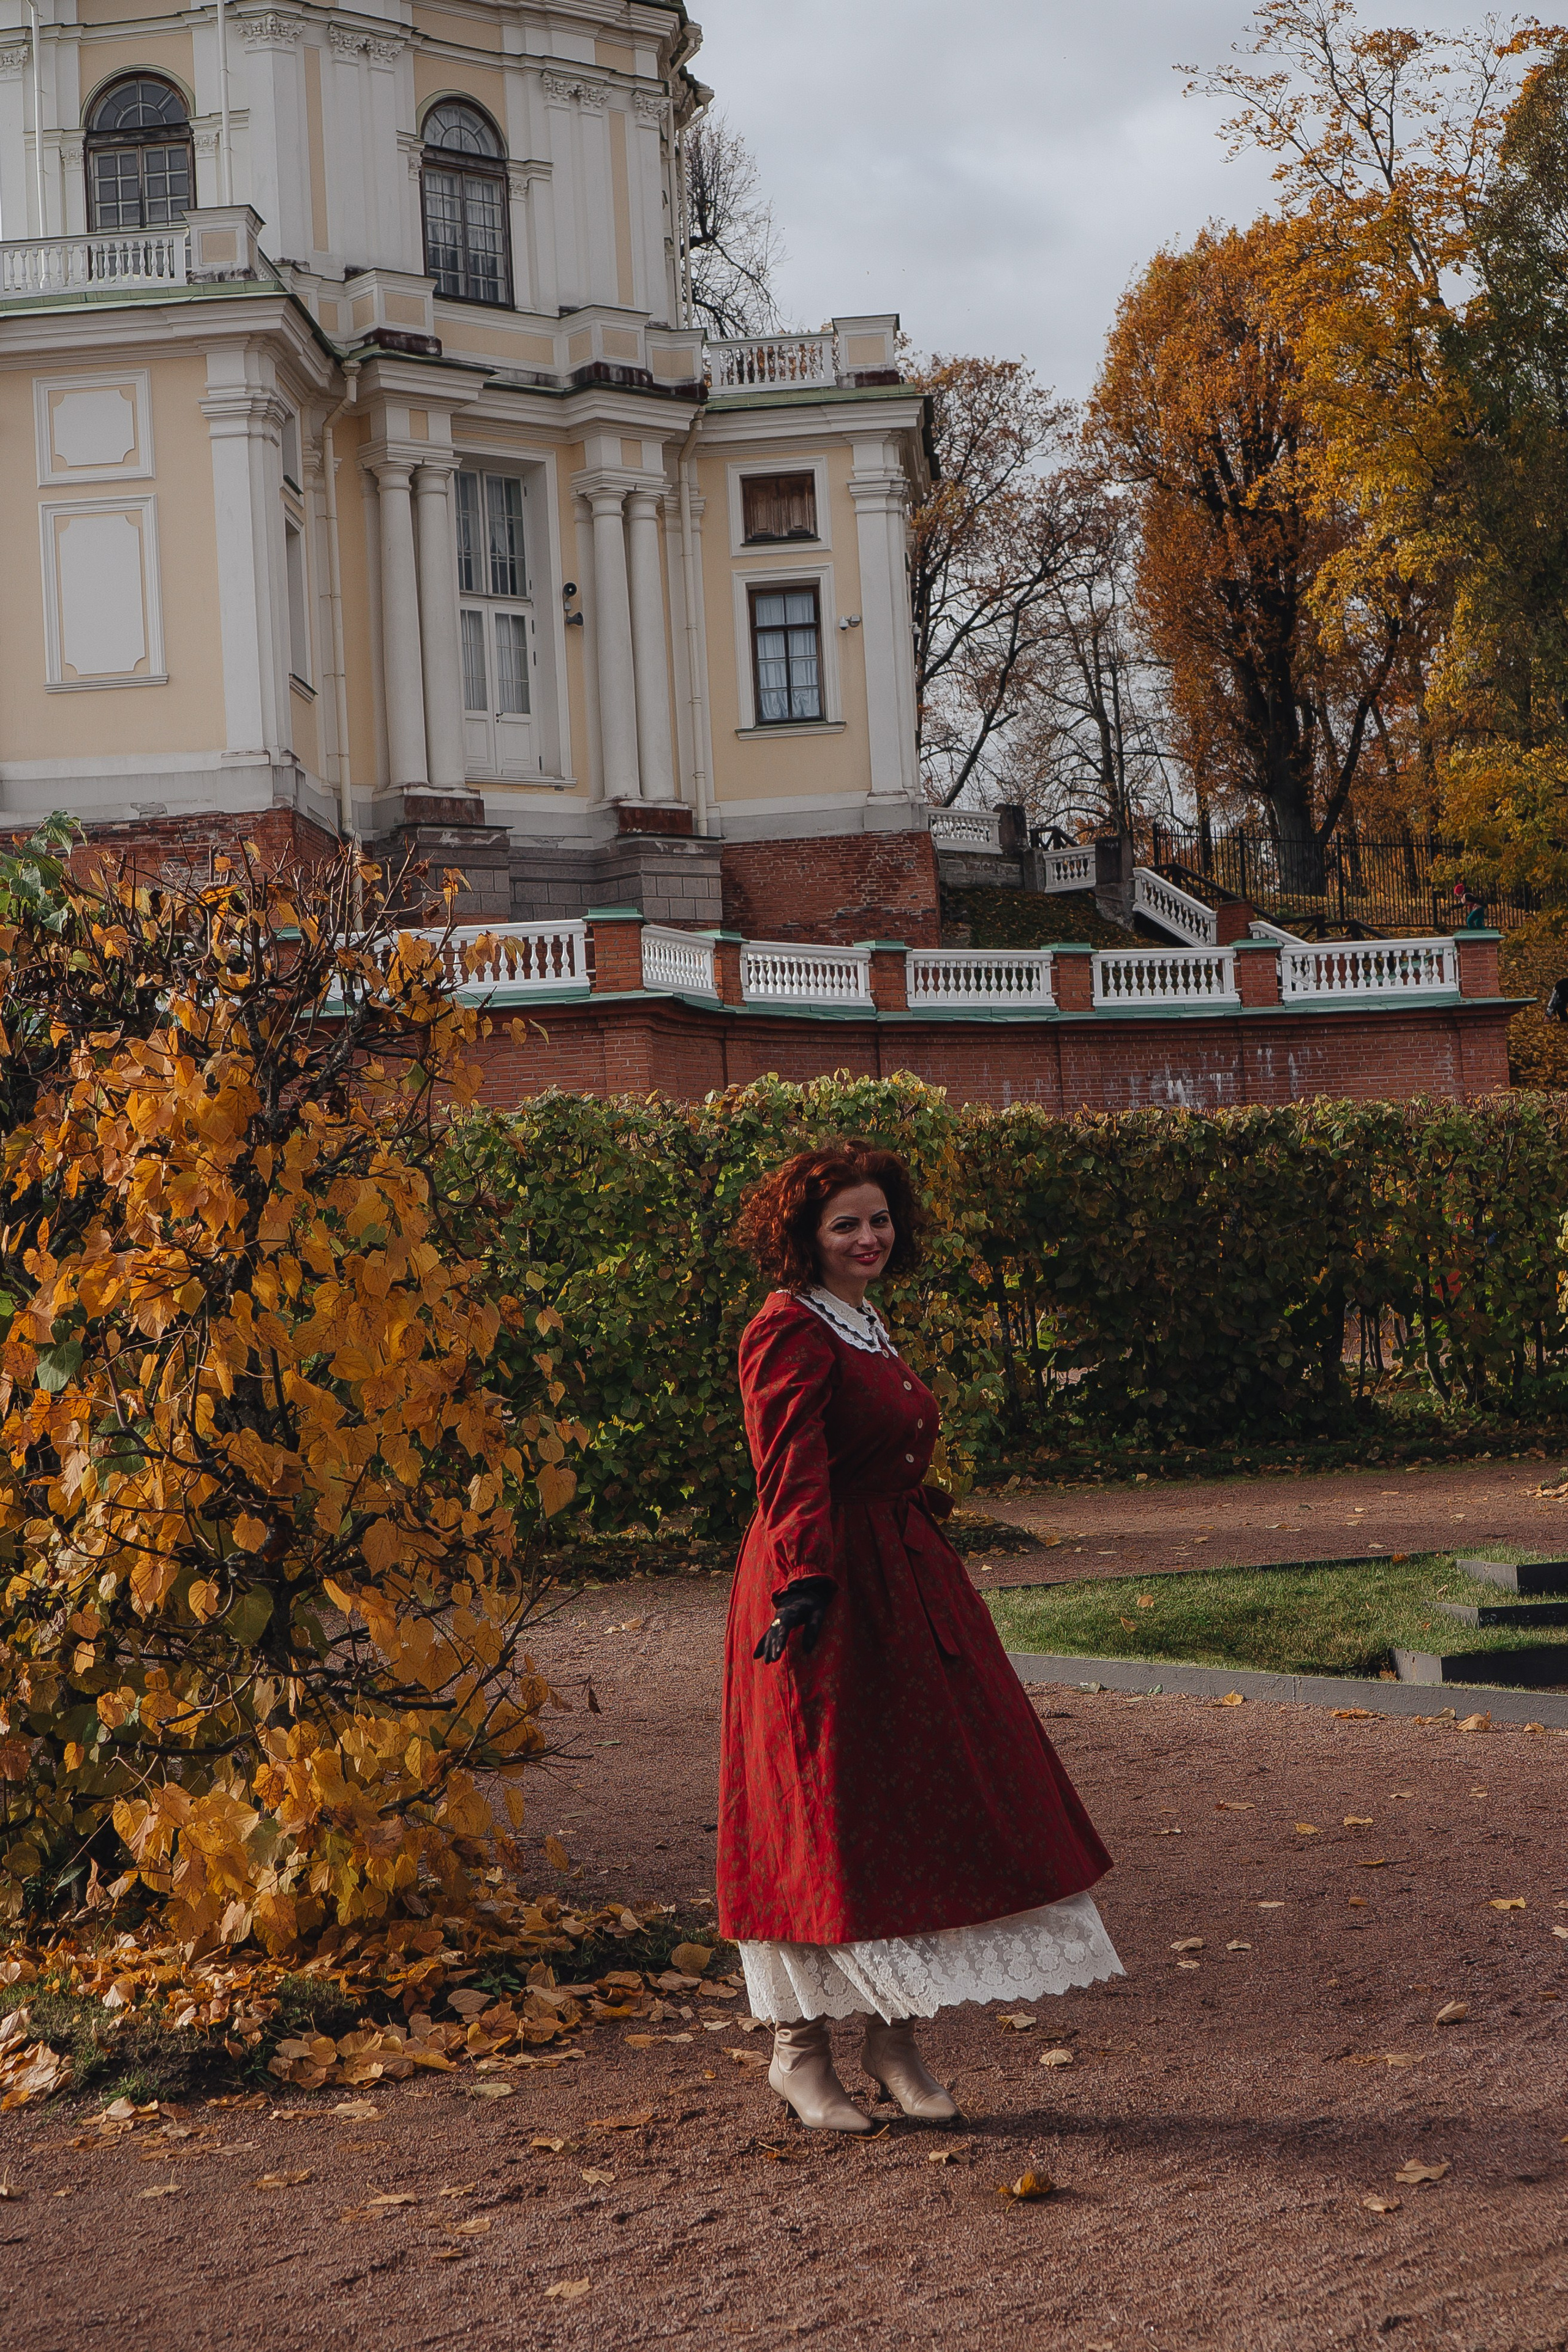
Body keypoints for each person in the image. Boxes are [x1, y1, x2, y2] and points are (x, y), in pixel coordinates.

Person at [717, 1140, 1122, 2133]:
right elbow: (791, 1470)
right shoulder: (786, 1328)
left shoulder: (860, 1321)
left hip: (899, 1580)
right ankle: (798, 2053)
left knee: (917, 1799)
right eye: (845, 1224)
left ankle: (895, 2038)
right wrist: (806, 1580)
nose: (868, 1237)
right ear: (803, 1238)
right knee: (821, 1814)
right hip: (819, 1592)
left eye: (879, 1220)